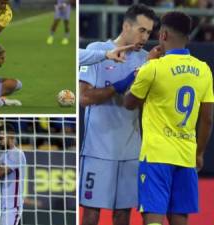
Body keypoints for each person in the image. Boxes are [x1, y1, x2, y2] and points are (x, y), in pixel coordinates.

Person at [124, 11, 214, 225]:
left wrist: (145, 65)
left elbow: (129, 103)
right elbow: (207, 119)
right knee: (179, 218)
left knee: (153, 216)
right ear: (188, 38)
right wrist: (199, 153)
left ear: (163, 35)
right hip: (186, 155)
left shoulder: (154, 68)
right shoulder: (204, 70)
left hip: (156, 156)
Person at [78, 4, 156, 225]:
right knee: (92, 213)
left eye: (149, 32)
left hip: (131, 150)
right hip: (97, 150)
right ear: (126, 26)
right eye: (141, 30)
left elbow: (143, 104)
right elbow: (84, 98)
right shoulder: (97, 50)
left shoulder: (145, 60)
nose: (145, 36)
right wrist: (120, 85)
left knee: (123, 214)